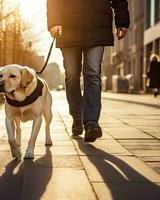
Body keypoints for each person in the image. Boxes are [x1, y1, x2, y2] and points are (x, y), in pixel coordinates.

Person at [47, 0, 130, 142]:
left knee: (92, 74)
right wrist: (54, 22)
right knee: (72, 75)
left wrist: (122, 21)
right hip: (69, 26)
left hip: (97, 24)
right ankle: (77, 117)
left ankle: (91, 123)